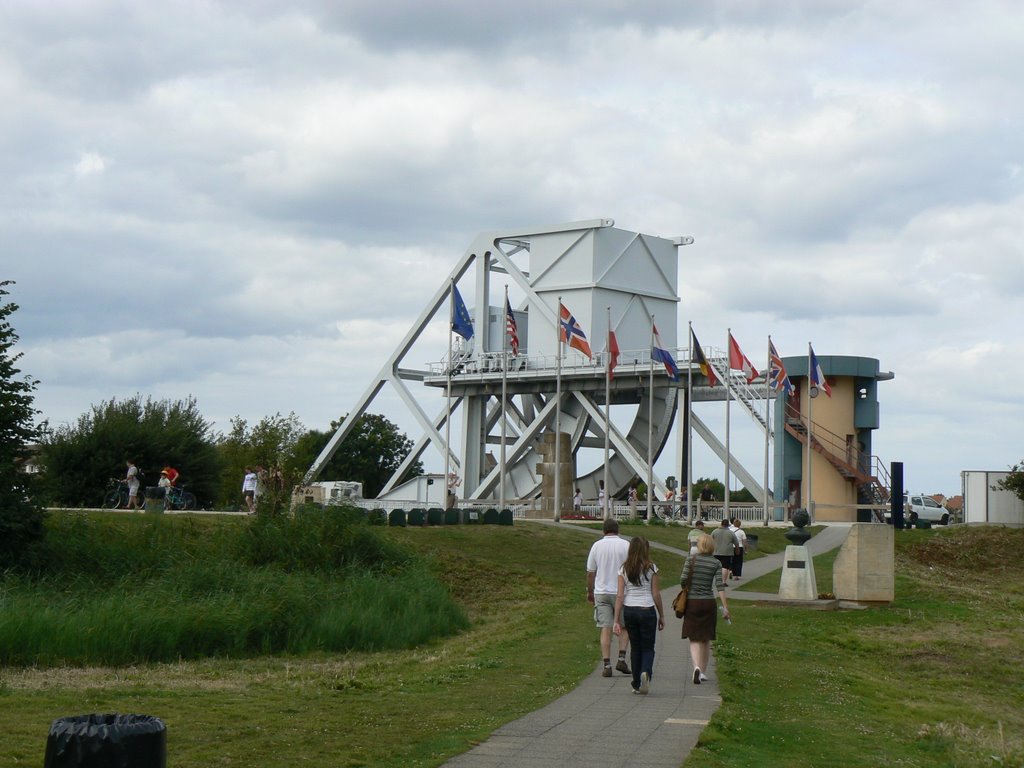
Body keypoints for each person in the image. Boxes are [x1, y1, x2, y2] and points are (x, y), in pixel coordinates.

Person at [613, 537, 664, 695]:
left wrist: (616, 620)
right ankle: (646, 672)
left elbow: (620, 596)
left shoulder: (624, 568)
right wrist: (661, 615)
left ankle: (636, 682)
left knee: (635, 648)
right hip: (646, 609)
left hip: (629, 610)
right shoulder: (651, 568)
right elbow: (655, 593)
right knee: (648, 647)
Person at [681, 533, 731, 685]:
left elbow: (683, 580)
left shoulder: (691, 560)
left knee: (694, 637)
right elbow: (719, 586)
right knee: (706, 637)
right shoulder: (716, 563)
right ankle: (702, 671)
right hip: (709, 602)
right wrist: (726, 607)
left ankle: (696, 666)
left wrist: (688, 587)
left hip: (693, 602)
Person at [586, 518, 631, 677]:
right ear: (617, 530)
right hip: (622, 592)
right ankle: (621, 658)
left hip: (602, 591)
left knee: (605, 627)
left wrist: (590, 591)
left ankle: (606, 664)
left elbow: (591, 572)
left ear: (604, 530)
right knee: (624, 627)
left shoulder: (597, 546)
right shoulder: (626, 545)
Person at [711, 518, 738, 582]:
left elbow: (710, 540)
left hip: (716, 551)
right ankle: (724, 581)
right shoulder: (731, 533)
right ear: (728, 525)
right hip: (727, 552)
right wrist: (737, 550)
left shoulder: (714, 531)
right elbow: (736, 543)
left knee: (716, 566)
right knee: (725, 567)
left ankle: (715, 580)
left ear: (721, 524)